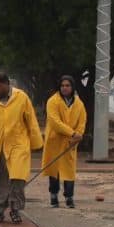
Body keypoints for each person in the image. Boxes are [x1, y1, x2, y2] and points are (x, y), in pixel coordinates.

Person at [0, 72, 43, 224]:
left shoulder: (21, 98)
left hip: (18, 144)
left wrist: (36, 142)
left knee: (17, 178)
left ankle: (15, 209)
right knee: (0, 179)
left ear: (6, 84)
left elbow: (31, 120)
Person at [42, 75, 87, 208]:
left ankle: (69, 197)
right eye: (62, 86)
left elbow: (82, 120)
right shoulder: (52, 101)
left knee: (69, 170)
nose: (65, 88)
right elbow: (55, 122)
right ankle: (53, 196)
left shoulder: (79, 103)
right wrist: (72, 133)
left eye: (67, 85)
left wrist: (78, 135)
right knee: (54, 169)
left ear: (72, 87)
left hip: (70, 142)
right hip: (55, 140)